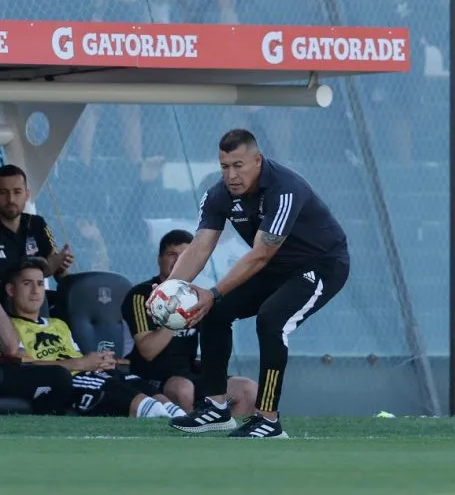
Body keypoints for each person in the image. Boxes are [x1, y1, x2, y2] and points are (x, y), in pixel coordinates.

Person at [155, 129, 350, 439]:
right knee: (215, 312)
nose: (231, 175)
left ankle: (269, 421)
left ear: (257, 160)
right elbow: (200, 247)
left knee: (272, 320)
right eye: (224, 166)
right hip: (276, 267)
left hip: (321, 265)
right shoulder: (219, 194)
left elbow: (260, 254)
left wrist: (214, 291)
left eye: (238, 165)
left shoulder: (286, 189)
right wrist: (170, 289)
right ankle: (217, 408)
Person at [7, 258, 184, 419]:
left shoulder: (58, 324)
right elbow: (24, 368)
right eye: (26, 284)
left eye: (39, 284)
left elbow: (76, 356)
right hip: (69, 380)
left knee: (147, 390)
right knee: (145, 405)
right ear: (11, 290)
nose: (35, 291)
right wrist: (80, 364)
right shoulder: (10, 328)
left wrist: (99, 362)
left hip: (88, 373)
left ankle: (176, 416)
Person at [122, 229, 256, 416]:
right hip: (153, 377)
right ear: (159, 258)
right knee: (183, 388)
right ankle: (187, 440)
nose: (177, 261)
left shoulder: (197, 296)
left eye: (184, 255)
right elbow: (147, 351)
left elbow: (213, 342)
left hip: (190, 374)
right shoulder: (141, 294)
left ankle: (227, 441)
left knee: (247, 388)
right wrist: (174, 314)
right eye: (171, 254)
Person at [0, 164, 73, 279]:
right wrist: (46, 270)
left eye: (17, 192)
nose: (11, 199)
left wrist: (60, 265)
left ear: (26, 195)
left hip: (36, 296)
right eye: (3, 192)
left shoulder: (37, 224)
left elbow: (57, 269)